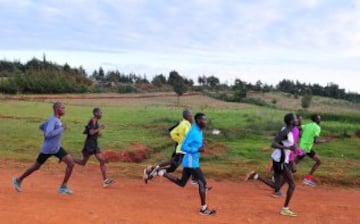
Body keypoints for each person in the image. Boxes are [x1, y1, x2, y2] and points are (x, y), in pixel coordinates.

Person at [157, 113, 216, 216]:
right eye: (204, 120)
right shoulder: (193, 132)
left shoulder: (199, 130)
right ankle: (203, 209)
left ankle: (162, 172)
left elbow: (195, 143)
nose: (206, 122)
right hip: (190, 162)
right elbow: (184, 147)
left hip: (192, 161)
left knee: (182, 183)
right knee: (202, 182)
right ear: (198, 121)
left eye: (206, 120)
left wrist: (202, 144)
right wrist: (198, 149)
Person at [12, 102, 75, 195]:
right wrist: (61, 128)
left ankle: (63, 187)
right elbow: (48, 134)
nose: (64, 110)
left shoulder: (55, 120)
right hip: (48, 149)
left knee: (71, 162)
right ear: (57, 109)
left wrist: (53, 128)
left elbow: (41, 126)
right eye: (62, 108)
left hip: (56, 148)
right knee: (36, 167)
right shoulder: (53, 120)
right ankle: (18, 180)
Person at [245, 113, 297, 216]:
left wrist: (293, 151)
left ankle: (256, 176)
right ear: (291, 121)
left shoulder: (289, 130)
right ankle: (285, 209)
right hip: (280, 160)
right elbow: (273, 144)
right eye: (295, 119)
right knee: (292, 185)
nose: (298, 120)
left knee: (277, 186)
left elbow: (288, 143)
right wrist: (288, 148)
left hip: (281, 159)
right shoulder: (285, 131)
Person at [143, 110, 194, 184]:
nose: (192, 118)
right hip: (182, 149)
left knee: (172, 168)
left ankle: (151, 170)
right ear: (188, 117)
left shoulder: (182, 123)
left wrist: (179, 140)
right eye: (191, 116)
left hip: (180, 147)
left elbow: (172, 133)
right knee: (173, 162)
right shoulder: (186, 125)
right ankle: (154, 169)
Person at [73, 108, 114, 187]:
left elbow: (91, 132)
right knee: (83, 162)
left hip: (94, 144)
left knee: (102, 160)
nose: (102, 114)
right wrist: (100, 128)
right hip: (89, 145)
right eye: (100, 113)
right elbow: (91, 132)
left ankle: (105, 180)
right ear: (96, 113)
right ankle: (69, 158)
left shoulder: (95, 121)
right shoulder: (93, 120)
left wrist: (98, 134)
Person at [296, 114, 328, 187]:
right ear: (316, 120)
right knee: (319, 161)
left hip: (303, 147)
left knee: (294, 163)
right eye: (319, 119)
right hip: (306, 149)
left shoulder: (307, 125)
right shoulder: (317, 128)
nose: (320, 120)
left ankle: (307, 179)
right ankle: (307, 180)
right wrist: (325, 141)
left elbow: (297, 128)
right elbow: (315, 141)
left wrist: (300, 135)